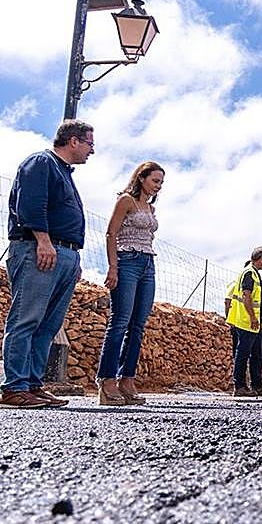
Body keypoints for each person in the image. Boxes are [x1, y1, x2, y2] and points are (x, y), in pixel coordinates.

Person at [0, 120, 94, 409]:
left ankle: (32, 384)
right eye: (90, 143)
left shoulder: (63, 172)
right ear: (73, 141)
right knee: (26, 319)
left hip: (64, 254)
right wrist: (43, 240)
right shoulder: (41, 162)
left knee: (48, 324)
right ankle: (14, 388)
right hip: (38, 249)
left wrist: (73, 258)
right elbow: (31, 203)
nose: (92, 150)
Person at [95, 161, 165, 406]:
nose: (158, 186)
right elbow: (111, 234)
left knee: (138, 325)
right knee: (120, 321)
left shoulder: (150, 209)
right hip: (127, 261)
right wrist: (113, 267)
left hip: (148, 263)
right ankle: (106, 381)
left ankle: (127, 379)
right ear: (141, 178)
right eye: (155, 181)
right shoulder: (126, 200)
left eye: (161, 183)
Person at [226, 247, 262, 397]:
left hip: (256, 325)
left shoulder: (254, 274)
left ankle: (257, 386)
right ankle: (239, 386)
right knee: (243, 354)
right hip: (248, 322)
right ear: (258, 258)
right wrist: (253, 317)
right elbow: (246, 296)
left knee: (258, 354)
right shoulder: (249, 273)